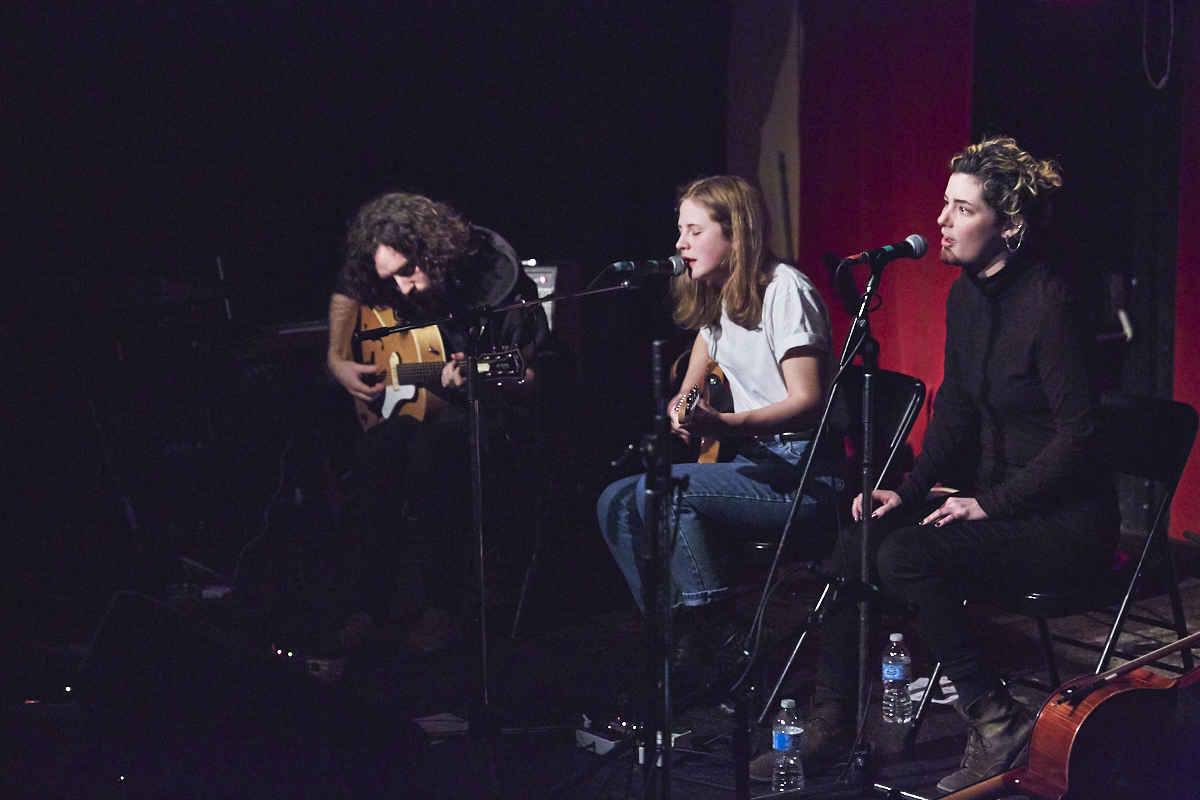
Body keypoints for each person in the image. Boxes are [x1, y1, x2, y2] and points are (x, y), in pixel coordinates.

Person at [764, 137, 1119, 792]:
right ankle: (831, 723)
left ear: (1008, 225)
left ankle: (996, 718)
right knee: (857, 544)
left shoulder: (1051, 305)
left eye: (961, 209)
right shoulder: (966, 297)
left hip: (1063, 522)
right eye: (945, 205)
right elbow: (955, 408)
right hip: (994, 503)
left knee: (906, 557)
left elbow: (1081, 437)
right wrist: (908, 488)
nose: (941, 221)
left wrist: (989, 504)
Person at [597, 175, 843, 678]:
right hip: (757, 462)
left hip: (804, 472)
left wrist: (725, 424)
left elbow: (809, 401)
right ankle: (681, 633)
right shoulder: (720, 296)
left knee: (659, 493)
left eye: (693, 231)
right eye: (680, 231)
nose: (679, 244)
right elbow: (695, 380)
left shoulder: (785, 292)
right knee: (614, 502)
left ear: (736, 234)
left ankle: (721, 634)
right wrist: (685, 407)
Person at [327, 191, 556, 652]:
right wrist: (336, 358)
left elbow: (536, 374)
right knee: (376, 454)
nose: (404, 289)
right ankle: (366, 605)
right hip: (424, 405)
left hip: (491, 412)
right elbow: (347, 291)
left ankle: (443, 605)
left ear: (435, 250)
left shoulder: (498, 279)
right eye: (391, 279)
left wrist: (481, 380)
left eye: (409, 272)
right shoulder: (391, 279)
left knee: (434, 451)